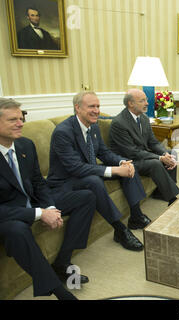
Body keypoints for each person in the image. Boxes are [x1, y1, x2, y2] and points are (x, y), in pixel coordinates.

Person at [0, 98, 96, 300]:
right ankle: (60, 292)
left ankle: (63, 261)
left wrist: (50, 206)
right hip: (9, 214)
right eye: (13, 120)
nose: (20, 123)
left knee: (85, 196)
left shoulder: (25, 145)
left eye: (21, 117)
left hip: (33, 203)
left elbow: (38, 182)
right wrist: (39, 213)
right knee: (16, 230)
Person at [47, 92, 150, 252]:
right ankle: (120, 230)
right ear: (78, 108)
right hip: (66, 181)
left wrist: (122, 162)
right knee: (94, 180)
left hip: (89, 171)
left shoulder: (93, 126)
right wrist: (114, 169)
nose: (96, 111)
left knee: (129, 166)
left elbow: (104, 152)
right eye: (91, 107)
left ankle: (136, 215)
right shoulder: (63, 132)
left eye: (98, 106)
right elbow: (76, 168)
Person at [109, 89, 179, 206]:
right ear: (130, 103)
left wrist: (164, 154)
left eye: (146, 100)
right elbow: (132, 152)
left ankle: (160, 192)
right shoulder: (119, 123)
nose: (147, 103)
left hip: (141, 154)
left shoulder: (144, 118)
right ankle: (173, 199)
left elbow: (153, 142)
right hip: (128, 160)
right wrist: (160, 158)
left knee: (171, 153)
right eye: (142, 101)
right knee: (155, 163)